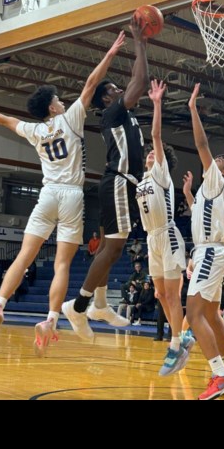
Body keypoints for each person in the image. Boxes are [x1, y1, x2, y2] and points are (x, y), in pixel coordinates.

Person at [0, 31, 127, 355]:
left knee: (23, 257)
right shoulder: (70, 118)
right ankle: (51, 319)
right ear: (53, 107)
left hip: (46, 195)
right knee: (61, 265)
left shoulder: (34, 130)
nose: (61, 100)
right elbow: (91, 83)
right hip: (71, 196)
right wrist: (111, 52)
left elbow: (3, 119)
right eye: (57, 98)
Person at [62, 19, 152, 338]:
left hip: (124, 183)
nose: (120, 91)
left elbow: (139, 88)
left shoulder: (126, 116)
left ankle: (99, 303)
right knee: (113, 250)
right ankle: (79, 305)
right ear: (106, 99)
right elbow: (139, 83)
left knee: (110, 249)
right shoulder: (112, 112)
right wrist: (140, 42)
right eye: (114, 90)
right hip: (117, 181)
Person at [182, 83, 224, 400]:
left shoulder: (217, 180)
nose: (215, 158)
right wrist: (189, 194)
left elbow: (201, 142)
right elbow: (197, 217)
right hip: (211, 252)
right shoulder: (208, 192)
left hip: (210, 253)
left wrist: (192, 109)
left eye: (221, 159)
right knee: (213, 315)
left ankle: (219, 375)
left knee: (194, 315)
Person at [133, 79, 194, 375]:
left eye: (155, 154)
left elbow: (156, 135)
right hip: (150, 239)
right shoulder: (141, 180)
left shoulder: (161, 175)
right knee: (160, 295)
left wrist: (156, 103)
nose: (150, 154)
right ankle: (181, 337)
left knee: (171, 295)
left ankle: (175, 344)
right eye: (148, 154)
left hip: (168, 235)